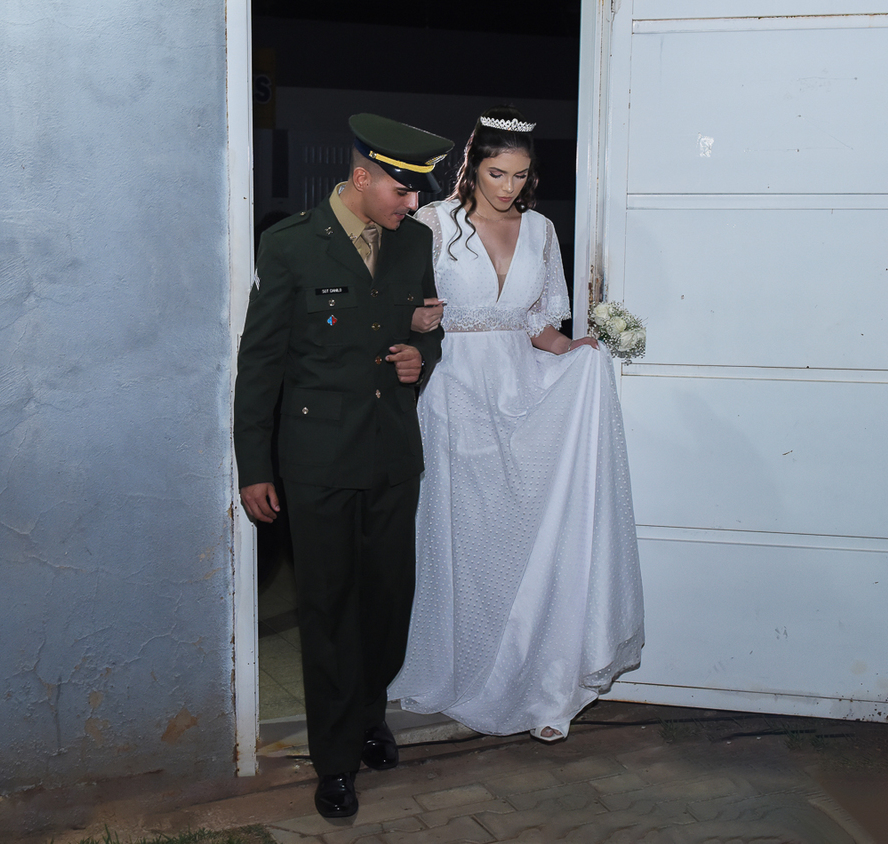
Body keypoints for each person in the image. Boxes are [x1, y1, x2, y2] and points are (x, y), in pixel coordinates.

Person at [389, 106, 644, 742]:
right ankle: (457, 668)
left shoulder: (541, 231)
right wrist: (413, 320)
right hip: (451, 392)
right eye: (497, 173)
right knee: (458, 536)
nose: (508, 187)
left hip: (519, 392)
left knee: (519, 535)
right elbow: (391, 302)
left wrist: (573, 351)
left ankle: (530, 673)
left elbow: (536, 324)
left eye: (520, 175)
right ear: (473, 167)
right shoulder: (433, 223)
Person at [234, 114, 452, 818]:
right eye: (402, 190)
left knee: (388, 602)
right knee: (328, 609)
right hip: (318, 459)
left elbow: (423, 326)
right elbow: (260, 362)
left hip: (392, 453)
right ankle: (334, 759)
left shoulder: (414, 242)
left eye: (417, 194)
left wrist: (423, 355)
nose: (412, 205)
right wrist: (254, 465)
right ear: (362, 177)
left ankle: (366, 713)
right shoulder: (292, 244)